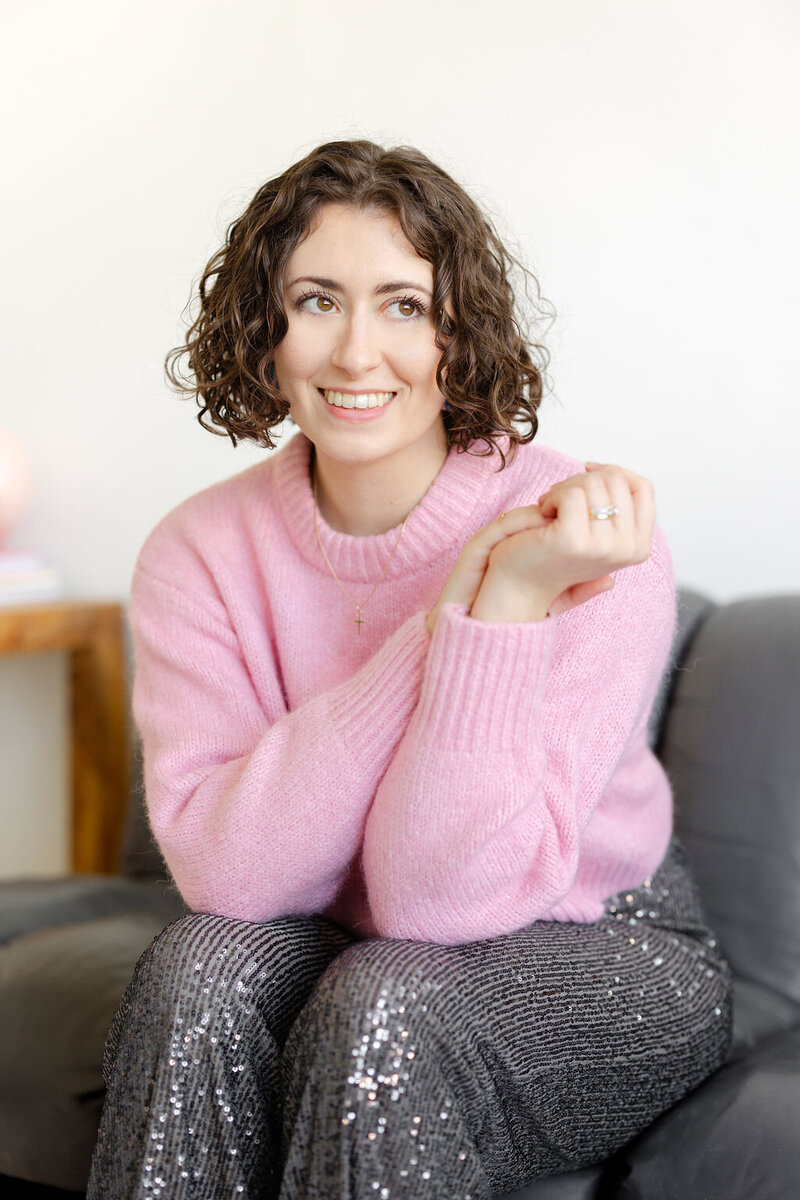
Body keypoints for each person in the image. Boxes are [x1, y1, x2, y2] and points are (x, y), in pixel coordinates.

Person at [87, 139, 733, 1200]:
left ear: (456, 328)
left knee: (385, 999)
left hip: (597, 938)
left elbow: (441, 899)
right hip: (335, 931)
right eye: (314, 300)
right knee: (192, 972)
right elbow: (230, 881)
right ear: (262, 325)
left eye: (401, 305)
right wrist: (443, 623)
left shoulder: (580, 534)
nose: (353, 355)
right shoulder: (196, 551)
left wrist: (511, 604)